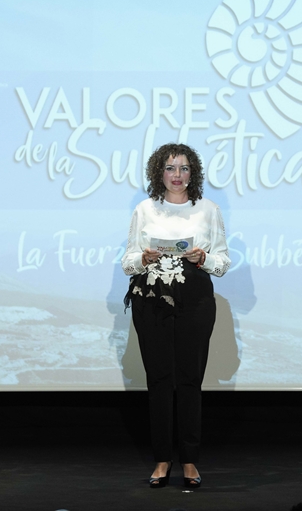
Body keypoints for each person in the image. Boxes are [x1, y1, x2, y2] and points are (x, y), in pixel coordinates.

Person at [122, 143, 230, 488]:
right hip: (151, 300)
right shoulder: (144, 209)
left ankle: (190, 460)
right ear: (159, 173)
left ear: (192, 173)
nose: (177, 175)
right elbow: (127, 262)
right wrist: (143, 258)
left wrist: (204, 259)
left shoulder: (208, 209)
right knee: (159, 381)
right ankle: (161, 459)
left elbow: (223, 263)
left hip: (194, 300)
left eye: (184, 168)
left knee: (189, 380)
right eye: (170, 168)